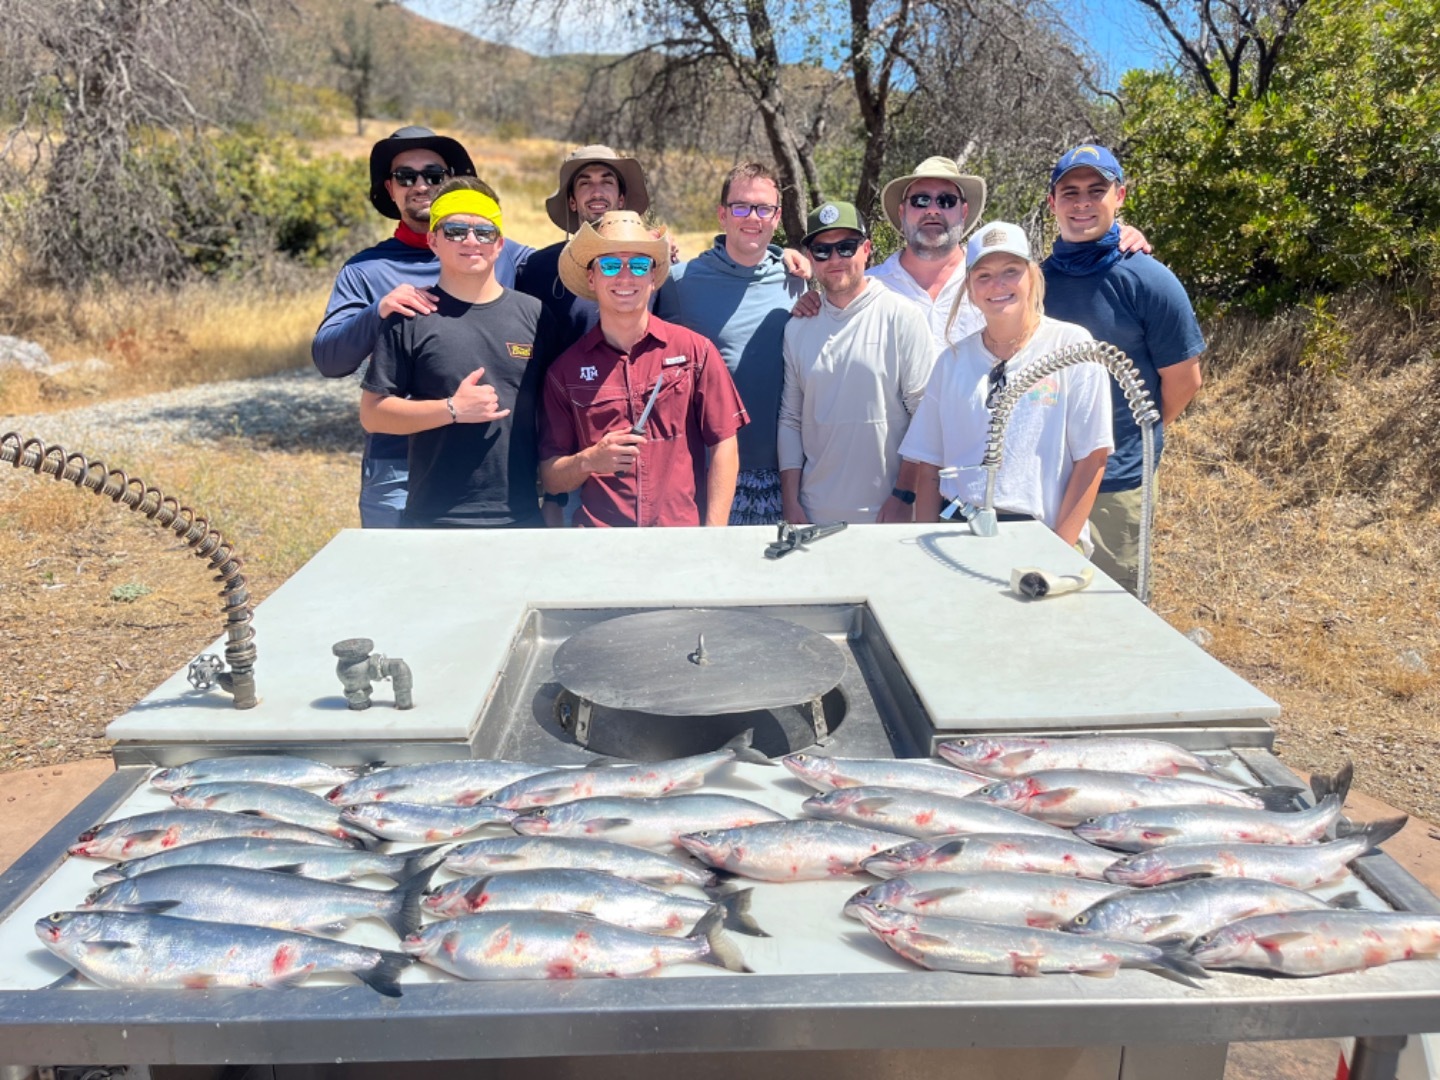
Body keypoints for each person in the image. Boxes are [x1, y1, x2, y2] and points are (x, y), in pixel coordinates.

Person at [313, 126, 532, 528]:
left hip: (490, 472)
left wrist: (650, 254)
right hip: (396, 465)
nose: (420, 185)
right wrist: (377, 310)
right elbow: (328, 358)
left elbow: (579, 278)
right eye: (405, 176)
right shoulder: (365, 269)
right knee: (402, 585)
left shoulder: (502, 253)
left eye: (434, 175)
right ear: (390, 189)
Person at [1041, 144, 1205, 593]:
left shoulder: (1150, 280)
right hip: (1048, 480)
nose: (1083, 202)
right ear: (1053, 202)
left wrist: (1133, 435)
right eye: (1069, 192)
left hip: (1118, 482)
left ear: (1121, 196)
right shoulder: (1035, 282)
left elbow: (1185, 381)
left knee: (1118, 604)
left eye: (1097, 190)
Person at [900, 222, 1113, 551]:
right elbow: (930, 464)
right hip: (959, 532)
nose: (997, 285)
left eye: (1011, 271)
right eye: (983, 275)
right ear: (969, 288)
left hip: (1040, 536)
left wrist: (1061, 552)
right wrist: (927, 544)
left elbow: (1092, 458)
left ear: (1032, 276)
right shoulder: (952, 362)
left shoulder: (1073, 348)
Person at [358, 179, 557, 528]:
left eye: (484, 232)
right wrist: (452, 410)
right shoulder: (411, 316)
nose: (470, 240)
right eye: (455, 230)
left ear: (499, 244)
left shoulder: (536, 316)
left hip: (521, 515)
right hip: (433, 518)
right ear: (433, 241)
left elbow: (559, 411)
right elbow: (373, 415)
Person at [790, 156, 1149, 350]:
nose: (933, 209)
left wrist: (1118, 233)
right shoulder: (868, 287)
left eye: (945, 200)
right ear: (903, 212)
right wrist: (810, 299)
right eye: (920, 200)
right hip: (889, 473)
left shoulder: (1000, 283)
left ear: (963, 212)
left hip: (979, 466)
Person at [538, 211, 748, 527]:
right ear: (592, 278)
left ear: (653, 278)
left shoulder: (695, 351)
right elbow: (550, 477)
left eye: (639, 265)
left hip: (680, 541)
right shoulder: (565, 372)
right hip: (602, 546)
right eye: (610, 265)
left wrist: (713, 534)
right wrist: (590, 460)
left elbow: (724, 444)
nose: (625, 277)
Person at [654, 161, 808, 526]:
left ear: (777, 216)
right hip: (706, 471)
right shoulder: (679, 282)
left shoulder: (796, 280)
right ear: (723, 215)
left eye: (763, 208)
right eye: (741, 207)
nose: (752, 217)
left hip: (780, 472)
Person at [778, 201, 935, 526]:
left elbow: (926, 415)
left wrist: (904, 497)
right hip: (813, 515)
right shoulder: (798, 328)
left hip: (888, 514)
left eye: (846, 247)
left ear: (866, 250)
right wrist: (791, 502)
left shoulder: (902, 317)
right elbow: (791, 420)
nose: (834, 259)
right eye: (822, 250)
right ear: (810, 258)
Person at [514, 145, 652, 354]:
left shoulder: (650, 263)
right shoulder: (539, 269)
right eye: (585, 183)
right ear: (572, 201)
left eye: (607, 182)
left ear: (621, 199)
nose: (597, 192)